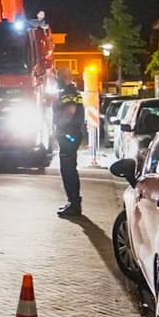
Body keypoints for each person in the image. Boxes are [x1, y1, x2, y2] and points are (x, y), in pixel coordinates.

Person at [54, 69, 86, 217]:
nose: (56, 80)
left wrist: (60, 127)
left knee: (68, 170)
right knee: (70, 169)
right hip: (72, 133)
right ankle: (73, 202)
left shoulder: (68, 92)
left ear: (63, 77)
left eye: (58, 77)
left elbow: (70, 111)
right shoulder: (73, 91)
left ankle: (74, 204)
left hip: (68, 134)